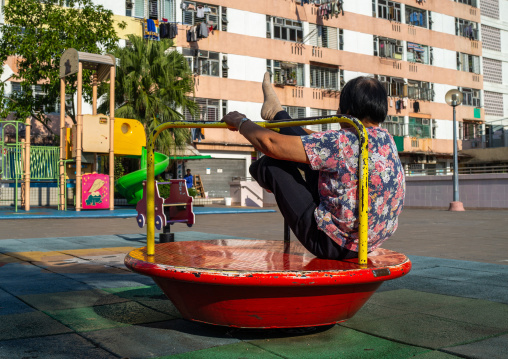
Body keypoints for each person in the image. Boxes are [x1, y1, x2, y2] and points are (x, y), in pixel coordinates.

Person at [222, 73, 405, 260]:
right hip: (369, 242)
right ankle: (276, 112)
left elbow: (271, 144)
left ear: (347, 109)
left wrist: (241, 122)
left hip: (332, 243)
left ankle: (262, 172)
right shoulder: (385, 140)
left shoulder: (342, 141)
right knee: (312, 150)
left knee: (270, 164)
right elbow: (314, 140)